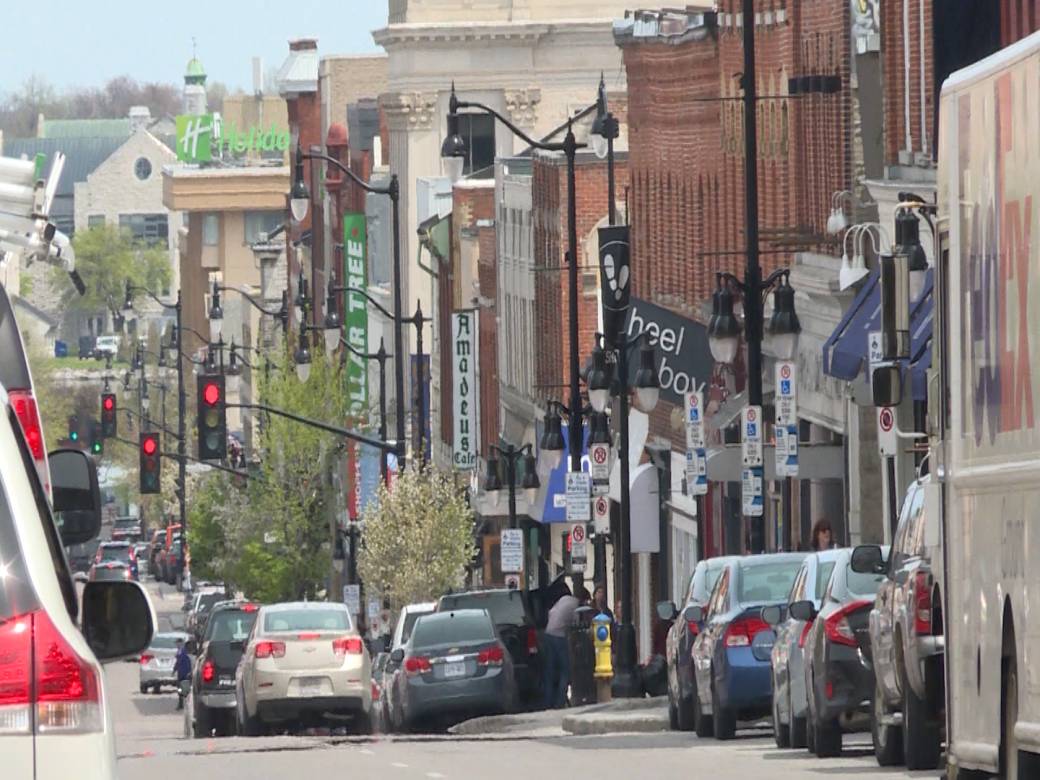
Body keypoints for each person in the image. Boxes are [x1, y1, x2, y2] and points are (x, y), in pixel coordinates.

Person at [543, 585, 581, 709]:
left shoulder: (563, 599)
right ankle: (560, 702)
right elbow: (577, 624)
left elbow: (551, 612)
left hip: (548, 633)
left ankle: (548, 702)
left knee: (550, 670)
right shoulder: (576, 605)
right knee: (565, 670)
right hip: (559, 636)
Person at [174, 637, 192, 711]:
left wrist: (189, 672)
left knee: (185, 689)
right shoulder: (179, 652)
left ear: (181, 643)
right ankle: (180, 703)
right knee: (179, 689)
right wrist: (174, 670)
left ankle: (186, 705)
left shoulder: (185, 651)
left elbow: (187, 662)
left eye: (178, 643)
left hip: (185, 673)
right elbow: (177, 663)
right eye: (176, 644)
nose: (177, 645)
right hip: (180, 673)